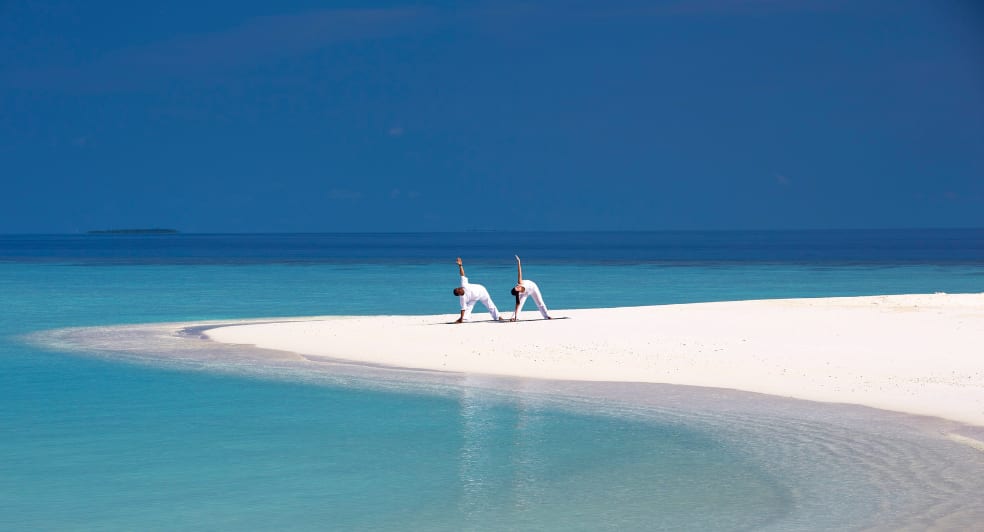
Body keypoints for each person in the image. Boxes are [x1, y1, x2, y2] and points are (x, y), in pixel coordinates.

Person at [452, 257, 503, 323]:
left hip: (481, 291)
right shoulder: (462, 298)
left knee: (489, 304)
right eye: (459, 289)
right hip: (473, 298)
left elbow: (462, 275)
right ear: (459, 294)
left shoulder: (464, 285)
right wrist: (460, 319)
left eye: (458, 288)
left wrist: (460, 265)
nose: (460, 288)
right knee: (468, 307)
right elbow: (463, 309)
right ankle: (464, 319)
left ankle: (498, 317)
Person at [510, 255, 552, 321]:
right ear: (518, 292)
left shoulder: (519, 282)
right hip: (525, 293)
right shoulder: (519, 294)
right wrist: (514, 317)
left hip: (533, 288)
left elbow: (519, 272)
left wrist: (518, 261)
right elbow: (517, 305)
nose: (517, 286)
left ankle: (546, 316)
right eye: (516, 288)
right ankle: (515, 317)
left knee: (540, 302)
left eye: (515, 287)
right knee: (520, 304)